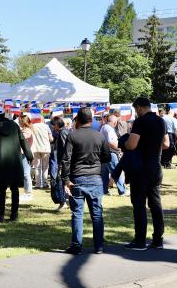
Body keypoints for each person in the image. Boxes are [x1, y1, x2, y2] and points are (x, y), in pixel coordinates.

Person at [60, 108, 111, 255]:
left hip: (77, 177)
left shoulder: (72, 136)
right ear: (91, 120)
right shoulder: (99, 136)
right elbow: (107, 157)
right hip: (95, 177)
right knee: (97, 213)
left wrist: (65, 179)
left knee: (77, 213)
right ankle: (99, 246)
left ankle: (76, 246)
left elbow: (66, 159)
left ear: (78, 120)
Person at [123, 97, 169, 250]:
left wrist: (124, 142)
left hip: (141, 169)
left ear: (140, 107)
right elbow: (166, 144)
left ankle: (140, 241)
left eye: (136, 109)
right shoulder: (161, 121)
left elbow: (131, 145)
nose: (136, 112)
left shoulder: (140, 122)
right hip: (155, 166)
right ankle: (158, 239)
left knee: (139, 204)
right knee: (155, 204)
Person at [0, 106, 33, 222]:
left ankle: (0, 215)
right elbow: (23, 140)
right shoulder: (14, 125)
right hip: (15, 161)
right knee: (14, 188)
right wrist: (29, 155)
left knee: (1, 189)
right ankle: (14, 214)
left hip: (1, 161)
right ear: (3, 114)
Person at [100, 114, 124, 196]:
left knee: (104, 173)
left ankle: (104, 190)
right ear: (115, 122)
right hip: (110, 153)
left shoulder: (103, 127)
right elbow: (111, 142)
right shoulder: (110, 129)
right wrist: (119, 149)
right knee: (116, 171)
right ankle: (122, 191)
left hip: (103, 153)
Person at [49, 117, 69, 212]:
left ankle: (63, 202)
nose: (52, 127)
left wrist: (62, 162)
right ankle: (64, 202)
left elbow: (66, 149)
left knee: (60, 182)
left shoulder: (62, 133)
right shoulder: (63, 132)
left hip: (63, 162)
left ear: (56, 125)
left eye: (53, 125)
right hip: (63, 161)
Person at [30, 117, 53, 189]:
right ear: (42, 120)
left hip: (35, 148)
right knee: (45, 167)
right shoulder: (46, 126)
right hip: (45, 148)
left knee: (37, 167)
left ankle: (38, 184)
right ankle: (45, 183)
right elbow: (51, 139)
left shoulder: (32, 126)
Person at [19, 115, 35, 200]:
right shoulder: (24, 130)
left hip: (25, 154)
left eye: (19, 121)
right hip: (23, 153)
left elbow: (20, 139)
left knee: (26, 173)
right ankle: (26, 192)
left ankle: (28, 193)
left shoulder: (27, 131)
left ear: (23, 122)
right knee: (25, 173)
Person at [160, 105, 177, 169]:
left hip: (162, 134)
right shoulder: (173, 119)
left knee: (163, 149)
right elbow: (176, 129)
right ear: (170, 110)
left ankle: (162, 163)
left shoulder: (161, 118)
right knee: (171, 149)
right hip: (171, 135)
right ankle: (167, 163)